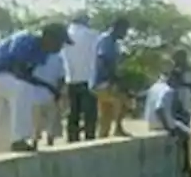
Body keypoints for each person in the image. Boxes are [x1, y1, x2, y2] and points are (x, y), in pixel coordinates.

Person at [0, 24, 71, 154]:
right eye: (60, 42)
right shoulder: (26, 40)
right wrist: (48, 87)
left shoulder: (42, 53)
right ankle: (19, 140)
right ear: (49, 38)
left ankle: (3, 152)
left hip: (6, 78)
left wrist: (50, 89)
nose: (61, 47)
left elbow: (27, 75)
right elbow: (18, 71)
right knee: (23, 90)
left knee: (6, 116)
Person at [64, 13, 101, 142]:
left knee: (73, 112)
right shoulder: (92, 35)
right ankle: (89, 137)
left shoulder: (66, 35)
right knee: (89, 113)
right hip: (88, 79)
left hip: (71, 78)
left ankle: (72, 138)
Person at [92, 17, 131, 139]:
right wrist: (114, 78)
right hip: (102, 81)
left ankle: (102, 136)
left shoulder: (114, 43)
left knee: (106, 113)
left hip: (105, 81)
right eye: (124, 31)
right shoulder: (106, 40)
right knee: (124, 100)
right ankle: (118, 128)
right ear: (117, 28)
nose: (125, 34)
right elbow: (103, 59)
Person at [32, 46, 66, 146]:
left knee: (35, 125)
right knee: (52, 123)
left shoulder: (33, 56)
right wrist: (58, 92)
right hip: (51, 95)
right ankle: (50, 143)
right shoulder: (58, 57)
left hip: (34, 95)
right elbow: (61, 78)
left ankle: (34, 143)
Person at [171, 48, 191, 119]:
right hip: (178, 92)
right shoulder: (175, 69)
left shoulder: (188, 68)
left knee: (185, 111)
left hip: (185, 92)